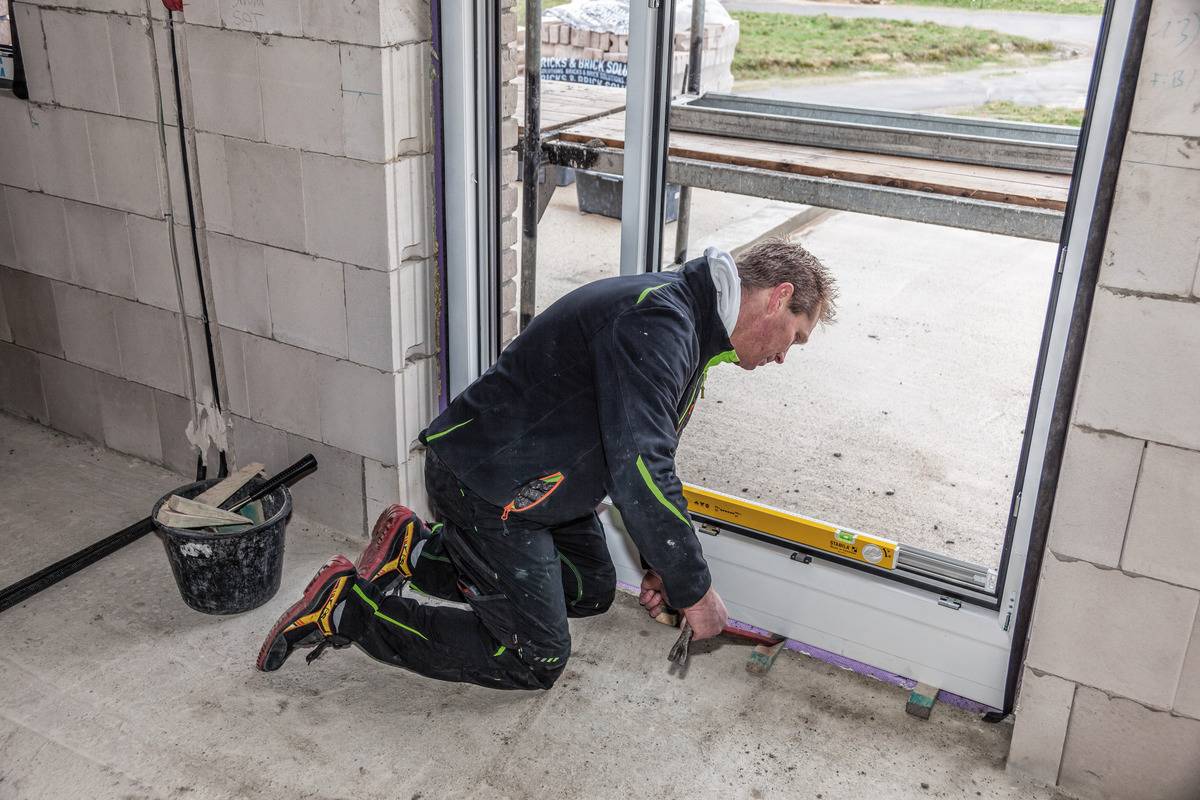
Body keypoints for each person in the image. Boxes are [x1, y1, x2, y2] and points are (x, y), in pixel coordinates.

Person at [257, 238, 838, 689]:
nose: (785, 354)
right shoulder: (660, 323)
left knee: (589, 591)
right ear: (778, 296)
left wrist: (661, 563)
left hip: (544, 484)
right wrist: (694, 586)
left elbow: (634, 450)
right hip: (487, 484)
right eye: (797, 336)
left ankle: (419, 552)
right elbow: (642, 468)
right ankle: (348, 610)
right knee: (534, 656)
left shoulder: (685, 320)